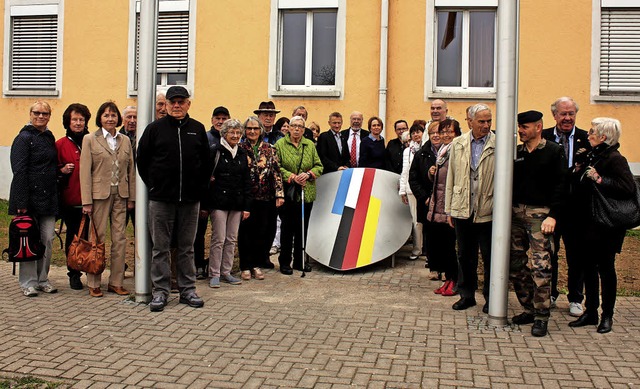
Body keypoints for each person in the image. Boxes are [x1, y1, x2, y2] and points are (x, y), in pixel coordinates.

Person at [137, 86, 210, 312]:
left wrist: (198, 188)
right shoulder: (154, 129)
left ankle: (187, 289)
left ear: (188, 104)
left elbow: (206, 163)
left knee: (187, 247)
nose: (176, 106)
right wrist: (155, 184)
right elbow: (142, 160)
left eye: (181, 102)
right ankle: (161, 291)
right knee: (161, 247)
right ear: (166, 105)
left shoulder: (197, 129)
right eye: (172, 102)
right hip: (161, 199)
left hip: (190, 200)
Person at [568, 117, 635, 334]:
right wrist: (578, 168)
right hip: (587, 222)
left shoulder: (616, 159)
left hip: (606, 225)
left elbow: (626, 188)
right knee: (588, 267)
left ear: (603, 137)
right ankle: (591, 312)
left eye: (591, 132)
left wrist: (599, 179)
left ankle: (607, 315)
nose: (588, 135)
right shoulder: (593, 155)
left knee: (606, 269)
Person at [509, 110, 567, 337]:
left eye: (525, 127)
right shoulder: (518, 153)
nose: (521, 131)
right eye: (520, 127)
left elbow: (562, 186)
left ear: (538, 127)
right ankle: (529, 308)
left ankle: (542, 316)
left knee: (541, 265)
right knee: (514, 263)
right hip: (516, 213)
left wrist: (553, 215)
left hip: (541, 216)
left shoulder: (554, 151)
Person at [80, 101, 136, 298]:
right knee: (97, 239)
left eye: (113, 115)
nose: (110, 119)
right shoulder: (90, 139)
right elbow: (84, 172)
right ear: (100, 118)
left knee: (120, 239)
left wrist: (132, 197)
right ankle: (94, 282)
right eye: (106, 115)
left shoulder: (125, 140)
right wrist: (86, 201)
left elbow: (131, 170)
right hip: (98, 196)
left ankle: (116, 282)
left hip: (121, 195)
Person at [541, 96, 590, 317]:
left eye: (571, 114)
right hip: (551, 207)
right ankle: (550, 293)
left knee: (576, 254)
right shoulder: (544, 137)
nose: (567, 118)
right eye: (563, 114)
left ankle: (576, 298)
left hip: (576, 208)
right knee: (550, 252)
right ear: (555, 115)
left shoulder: (585, 139)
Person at [445, 103, 495, 313]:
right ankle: (467, 295)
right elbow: (452, 176)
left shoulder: (498, 143)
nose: (486, 125)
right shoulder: (458, 143)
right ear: (470, 122)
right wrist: (449, 209)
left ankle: (492, 297)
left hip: (488, 209)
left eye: (489, 121)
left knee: (490, 255)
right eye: (481, 121)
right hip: (463, 207)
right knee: (465, 254)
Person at [9, 101, 59, 297]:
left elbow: (49, 164)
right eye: (37, 113)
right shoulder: (23, 138)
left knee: (47, 238)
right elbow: (19, 171)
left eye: (45, 113)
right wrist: (21, 202)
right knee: (28, 239)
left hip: (48, 198)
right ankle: (28, 282)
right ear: (30, 114)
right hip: (28, 199)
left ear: (49, 116)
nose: (41, 116)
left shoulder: (48, 136)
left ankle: (43, 279)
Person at [207, 119, 253, 287]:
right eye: (231, 132)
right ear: (224, 134)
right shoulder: (215, 151)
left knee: (231, 238)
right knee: (218, 238)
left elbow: (246, 181)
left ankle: (226, 272)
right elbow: (207, 178)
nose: (235, 136)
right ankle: (214, 273)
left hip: (237, 203)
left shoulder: (242, 153)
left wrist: (247, 206)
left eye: (238, 133)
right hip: (219, 202)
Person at [238, 116, 285, 280]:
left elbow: (277, 172)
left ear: (261, 131)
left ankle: (256, 264)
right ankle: (244, 266)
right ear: (245, 131)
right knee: (245, 232)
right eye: (249, 128)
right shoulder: (239, 148)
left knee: (262, 231)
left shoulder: (269, 149)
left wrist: (279, 194)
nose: (252, 131)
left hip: (266, 197)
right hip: (246, 198)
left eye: (255, 129)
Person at [275, 116, 323, 275]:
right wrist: (292, 177)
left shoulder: (309, 145)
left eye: (300, 127)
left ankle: (300, 261)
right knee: (287, 229)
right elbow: (276, 167)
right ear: (288, 128)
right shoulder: (280, 145)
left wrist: (308, 175)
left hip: (305, 193)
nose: (296, 129)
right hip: (288, 194)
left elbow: (319, 166)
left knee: (302, 228)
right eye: (293, 126)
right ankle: (284, 262)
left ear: (304, 130)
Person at [56, 103, 91, 290]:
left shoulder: (91, 140)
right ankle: (74, 272)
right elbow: (51, 170)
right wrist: (61, 170)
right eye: (74, 119)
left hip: (91, 199)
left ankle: (89, 266)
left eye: (81, 120)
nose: (78, 123)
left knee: (88, 236)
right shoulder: (60, 144)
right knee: (74, 237)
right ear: (68, 122)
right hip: (71, 200)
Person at [426, 119, 462, 296]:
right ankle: (448, 279)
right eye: (443, 131)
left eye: (450, 131)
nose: (446, 135)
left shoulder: (457, 150)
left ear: (456, 133)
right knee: (443, 247)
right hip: (438, 206)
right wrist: (432, 172)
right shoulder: (443, 151)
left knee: (450, 248)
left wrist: (451, 209)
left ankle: (454, 281)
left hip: (448, 208)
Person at [194, 105, 229, 279]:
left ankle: (218, 266)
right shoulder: (205, 138)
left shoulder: (231, 139)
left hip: (221, 196)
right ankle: (199, 265)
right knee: (199, 232)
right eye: (218, 118)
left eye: (224, 119)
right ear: (212, 120)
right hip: (204, 193)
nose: (220, 122)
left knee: (220, 234)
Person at [409, 121, 441, 276]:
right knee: (430, 235)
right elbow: (413, 178)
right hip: (427, 202)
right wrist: (424, 198)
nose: (435, 135)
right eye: (432, 132)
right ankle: (434, 267)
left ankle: (446, 270)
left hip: (445, 203)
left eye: (438, 132)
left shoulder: (450, 151)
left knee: (445, 237)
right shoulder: (421, 153)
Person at [399, 124, 424, 260]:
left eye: (418, 132)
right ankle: (417, 249)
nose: (416, 135)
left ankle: (429, 250)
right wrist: (403, 190)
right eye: (413, 132)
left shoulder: (428, 147)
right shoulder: (407, 151)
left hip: (425, 190)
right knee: (416, 221)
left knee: (428, 221)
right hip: (411, 189)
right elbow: (405, 172)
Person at [119, 105, 137, 227]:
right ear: (122, 119)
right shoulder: (115, 137)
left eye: (135, 117)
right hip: (121, 190)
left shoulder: (144, 136)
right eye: (128, 117)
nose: (132, 120)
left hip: (140, 189)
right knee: (119, 228)